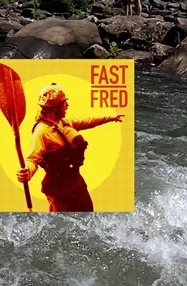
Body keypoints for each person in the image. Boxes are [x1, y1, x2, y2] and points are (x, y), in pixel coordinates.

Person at [15, 83, 124, 212]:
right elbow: (33, 159)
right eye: (64, 103)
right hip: (58, 189)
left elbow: (87, 121)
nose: (67, 106)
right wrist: (27, 171)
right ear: (55, 107)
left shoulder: (64, 122)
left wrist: (110, 118)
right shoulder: (42, 131)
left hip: (76, 183)